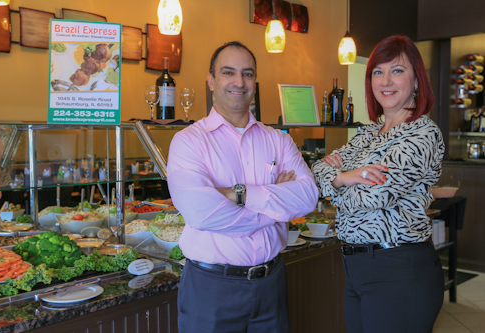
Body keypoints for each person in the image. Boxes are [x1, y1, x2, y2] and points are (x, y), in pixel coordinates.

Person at [167, 41, 319, 332]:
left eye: (247, 74)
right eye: (228, 72)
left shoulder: (279, 140)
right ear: (211, 80)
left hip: (271, 283)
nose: (239, 82)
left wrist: (239, 194)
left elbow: (308, 197)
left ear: (255, 83)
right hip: (211, 288)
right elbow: (202, 215)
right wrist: (277, 207)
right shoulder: (189, 142)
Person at [312, 35, 445, 333]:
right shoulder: (367, 133)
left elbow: (376, 194)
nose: (386, 80)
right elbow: (317, 170)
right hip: (357, 267)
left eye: (397, 70)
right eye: (377, 72)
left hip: (398, 267)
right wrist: (346, 177)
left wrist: (334, 184)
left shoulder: (422, 132)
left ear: (416, 80)